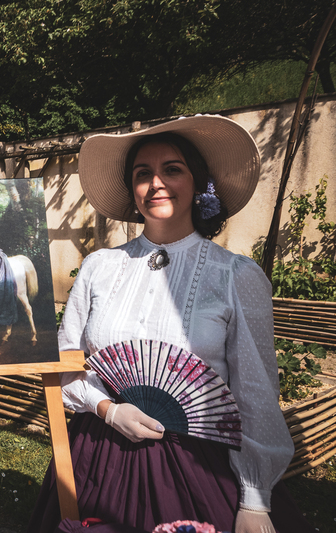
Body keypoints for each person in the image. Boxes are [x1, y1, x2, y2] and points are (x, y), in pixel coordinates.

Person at [27, 115, 313, 533]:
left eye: (172, 169)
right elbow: (65, 364)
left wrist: (254, 498)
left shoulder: (234, 276)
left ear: (199, 183)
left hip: (199, 466)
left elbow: (255, 393)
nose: (156, 183)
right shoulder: (100, 268)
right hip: (98, 454)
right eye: (143, 174)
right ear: (133, 189)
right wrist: (108, 409)